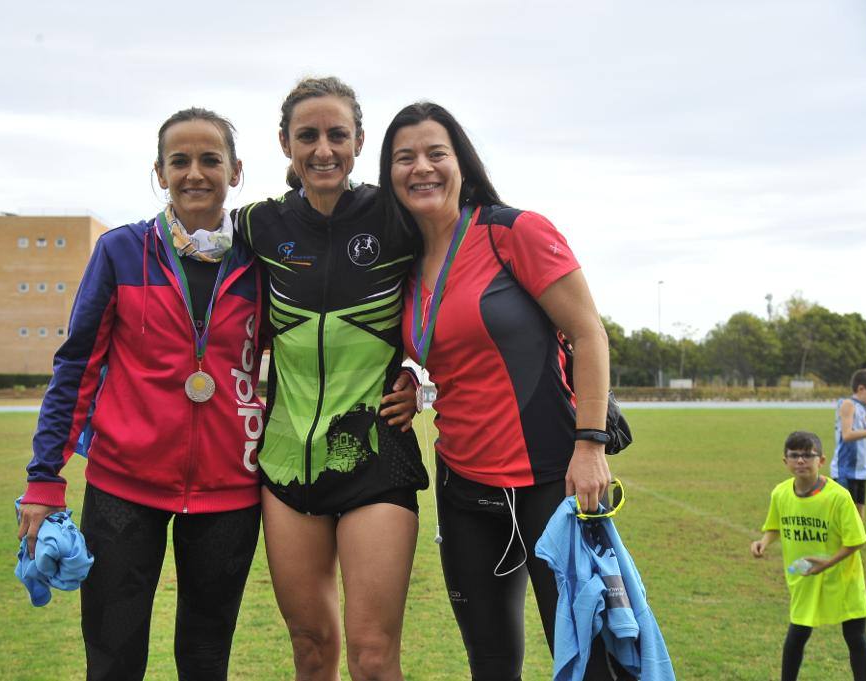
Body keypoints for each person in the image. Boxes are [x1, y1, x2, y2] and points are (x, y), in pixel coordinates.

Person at [378, 101, 625, 680]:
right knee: (490, 663)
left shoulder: (513, 231)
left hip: (552, 480)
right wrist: (413, 376)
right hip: (464, 486)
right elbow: (436, 345)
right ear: (389, 174)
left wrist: (589, 446)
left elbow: (589, 333)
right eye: (404, 157)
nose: (422, 168)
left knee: (589, 659)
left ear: (460, 161)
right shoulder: (405, 262)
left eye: (436, 153)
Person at [17, 107, 266, 680]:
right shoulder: (122, 251)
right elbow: (77, 365)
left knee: (206, 659)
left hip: (229, 491)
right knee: (112, 656)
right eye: (179, 161)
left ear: (236, 171)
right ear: (159, 172)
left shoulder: (262, 260)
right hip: (123, 487)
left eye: (211, 159)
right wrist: (44, 475)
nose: (195, 173)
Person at [234, 76, 427, 681]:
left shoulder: (399, 219)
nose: (323, 149)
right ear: (285, 143)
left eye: (337, 135)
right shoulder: (255, 226)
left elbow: (455, 296)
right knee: (312, 647)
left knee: (372, 656)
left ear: (359, 141)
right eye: (308, 135)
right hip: (287, 462)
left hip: (375, 457)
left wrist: (422, 375)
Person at [751, 431, 866, 681]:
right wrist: (763, 542)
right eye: (794, 456)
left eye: (808, 455)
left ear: (822, 461)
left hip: (842, 579)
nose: (801, 461)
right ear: (785, 462)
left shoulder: (838, 497)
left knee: (855, 636)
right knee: (797, 635)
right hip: (805, 577)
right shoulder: (780, 494)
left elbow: (856, 541)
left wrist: (827, 563)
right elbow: (775, 525)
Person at [832, 368, 866, 517]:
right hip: (845, 470)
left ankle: (859, 541)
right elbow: (847, 435)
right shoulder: (848, 404)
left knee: (859, 514)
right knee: (846, 516)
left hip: (861, 470)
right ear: (861, 389)